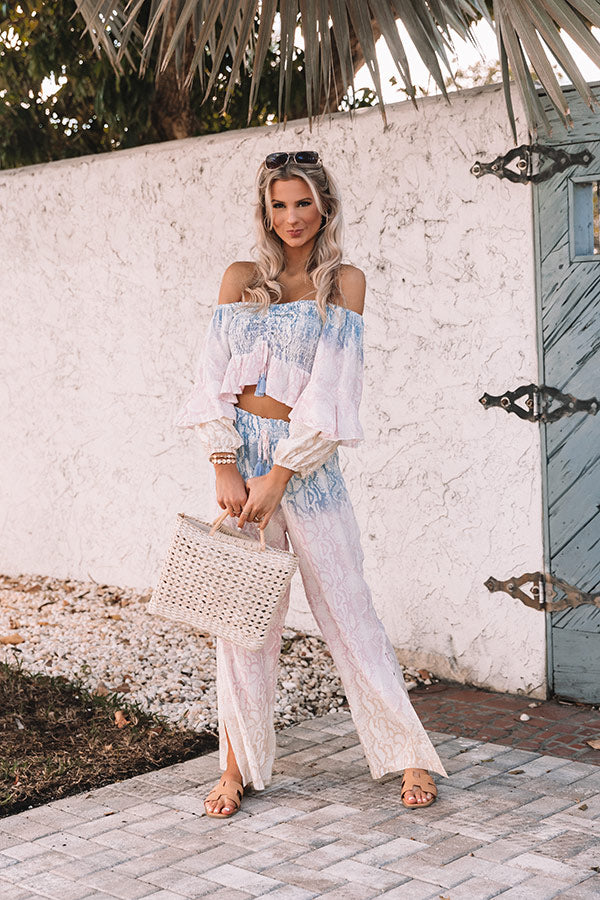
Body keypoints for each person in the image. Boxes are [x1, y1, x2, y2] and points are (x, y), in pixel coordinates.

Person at [174, 150, 447, 817]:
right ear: (265, 211)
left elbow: (333, 390)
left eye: (303, 203)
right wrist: (224, 462)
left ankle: (408, 753)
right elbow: (210, 377)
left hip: (307, 469)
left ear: (324, 207)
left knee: (350, 613)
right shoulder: (240, 278)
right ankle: (235, 767)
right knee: (243, 621)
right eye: (279, 205)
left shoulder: (344, 283)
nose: (291, 217)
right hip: (242, 461)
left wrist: (282, 474)